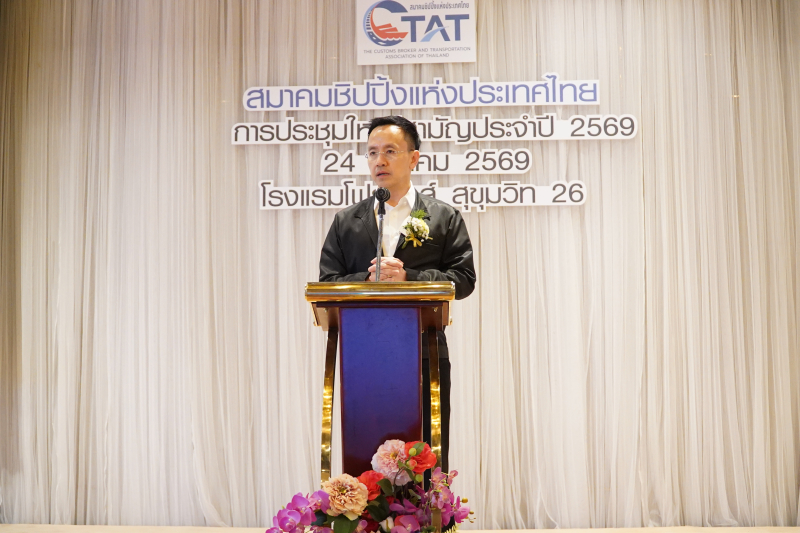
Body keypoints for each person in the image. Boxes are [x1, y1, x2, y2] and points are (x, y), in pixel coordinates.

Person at [319, 115, 476, 471]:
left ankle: (429, 507)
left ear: (414, 158)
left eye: (390, 151)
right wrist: (367, 278)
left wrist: (411, 277)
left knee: (425, 453)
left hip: (423, 351)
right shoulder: (347, 221)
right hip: (361, 357)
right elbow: (327, 282)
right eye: (372, 152)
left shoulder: (443, 217)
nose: (380, 160)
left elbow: (463, 278)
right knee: (363, 452)